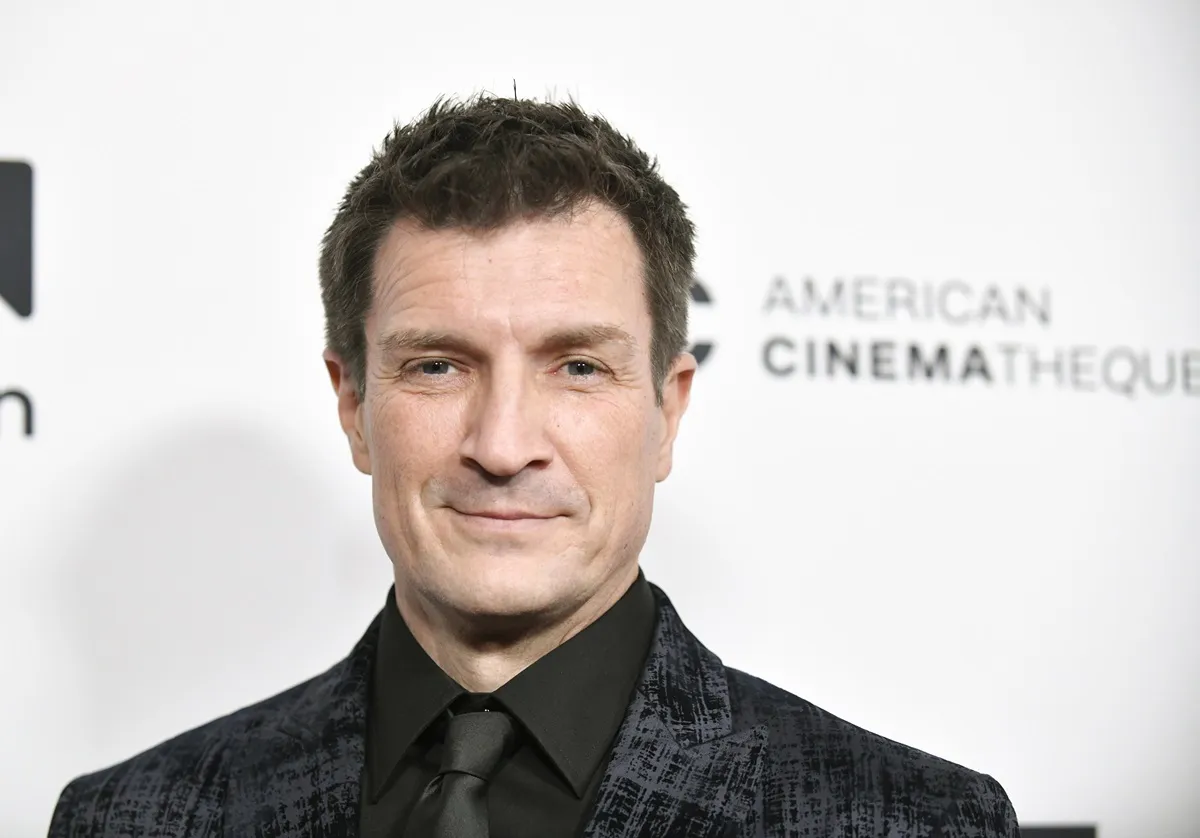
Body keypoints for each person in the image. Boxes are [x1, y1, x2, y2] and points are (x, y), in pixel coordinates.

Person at [48, 94, 1019, 837]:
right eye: (437, 365)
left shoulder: (913, 817)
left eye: (578, 367)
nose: (504, 444)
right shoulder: (136, 816)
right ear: (352, 405)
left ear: (667, 410)